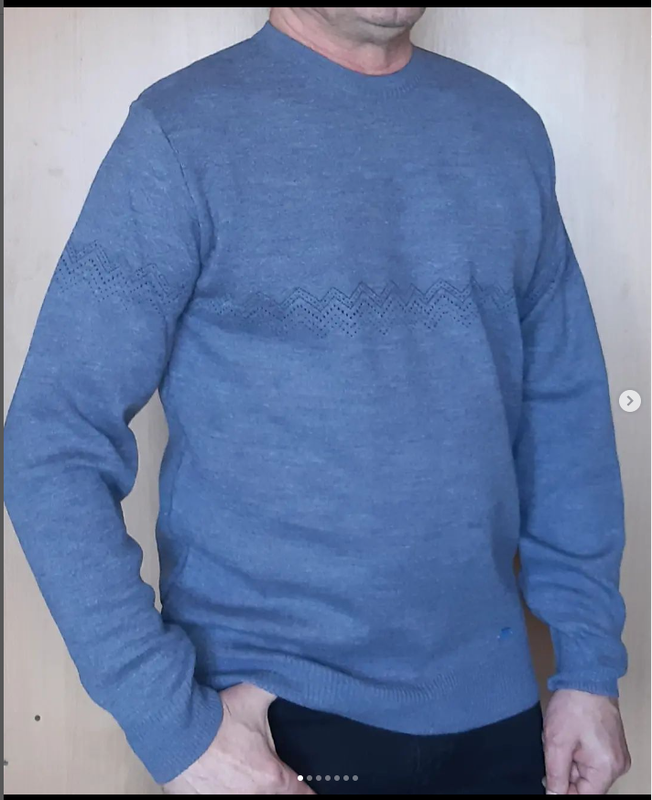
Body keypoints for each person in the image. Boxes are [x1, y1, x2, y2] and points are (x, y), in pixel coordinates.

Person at [3, 7, 632, 795]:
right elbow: (53, 442)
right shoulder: (181, 134)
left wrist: (589, 666)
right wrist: (172, 728)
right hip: (273, 727)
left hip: (500, 713)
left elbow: (564, 416)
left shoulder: (506, 131)